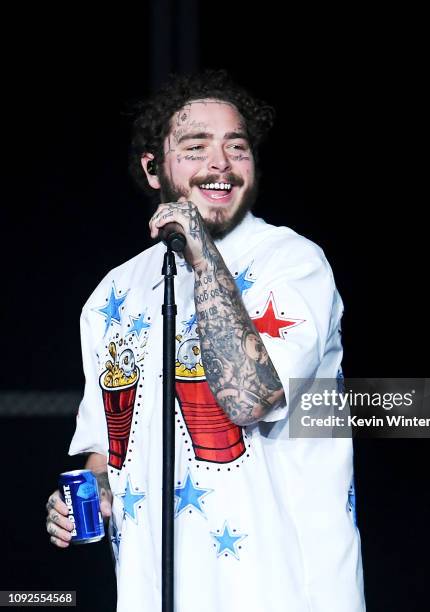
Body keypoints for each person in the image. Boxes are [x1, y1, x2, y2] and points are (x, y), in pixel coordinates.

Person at [45, 70, 366, 612]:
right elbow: (104, 446)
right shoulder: (112, 294)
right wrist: (95, 492)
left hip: (283, 591)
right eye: (196, 147)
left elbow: (250, 399)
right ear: (153, 169)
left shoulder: (290, 262)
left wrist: (199, 250)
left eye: (236, 148)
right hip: (155, 593)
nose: (220, 164)